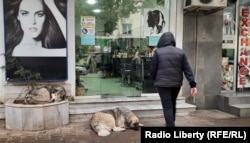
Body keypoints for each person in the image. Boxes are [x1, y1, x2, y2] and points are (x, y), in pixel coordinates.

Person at [4, 0, 67, 80]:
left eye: (39, 14)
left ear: (45, 17)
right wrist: (52, 6)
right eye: (25, 13)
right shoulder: (21, 49)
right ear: (18, 16)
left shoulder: (48, 45)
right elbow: (69, 51)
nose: (33, 21)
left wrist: (51, 5)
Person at [150, 32, 197, 127]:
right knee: (172, 103)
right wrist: (193, 84)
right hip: (176, 84)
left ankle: (170, 125)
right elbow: (187, 69)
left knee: (167, 106)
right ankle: (171, 123)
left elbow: (153, 68)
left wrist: (154, 79)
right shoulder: (180, 52)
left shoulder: (158, 52)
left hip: (162, 84)